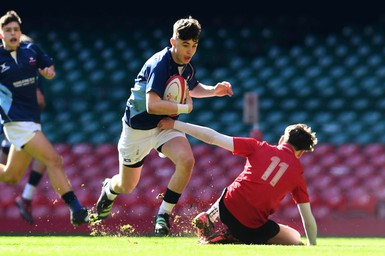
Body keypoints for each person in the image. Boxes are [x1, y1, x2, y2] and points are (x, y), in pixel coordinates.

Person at [95, 16, 233, 236]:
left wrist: (213, 91)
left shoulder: (186, 66)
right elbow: (152, 105)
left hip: (165, 126)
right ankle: (109, 189)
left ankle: (163, 215)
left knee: (187, 160)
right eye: (185, 45)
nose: (189, 51)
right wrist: (186, 109)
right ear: (173, 42)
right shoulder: (160, 64)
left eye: (194, 46)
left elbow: (192, 87)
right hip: (137, 129)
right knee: (126, 186)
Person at [158, 116, 318, 245]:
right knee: (295, 237)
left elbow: (213, 137)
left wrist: (175, 124)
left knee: (237, 187)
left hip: (226, 207)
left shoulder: (257, 146)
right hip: (251, 227)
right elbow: (307, 218)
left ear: (282, 139)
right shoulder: (298, 175)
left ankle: (210, 216)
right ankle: (233, 237)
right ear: (301, 153)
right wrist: (312, 245)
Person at [0, 10, 89, 226]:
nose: (12, 33)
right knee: (53, 159)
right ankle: (77, 210)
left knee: (11, 175)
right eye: (7, 30)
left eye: (15, 30)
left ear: (20, 32)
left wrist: (49, 71)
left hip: (32, 119)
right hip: (16, 123)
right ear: (1, 34)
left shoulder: (31, 49)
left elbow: (48, 66)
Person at [0, 33, 49, 225]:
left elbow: (41, 103)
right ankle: (27, 198)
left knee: (44, 158)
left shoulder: (34, 74)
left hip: (21, 125)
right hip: (11, 123)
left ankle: (27, 198)